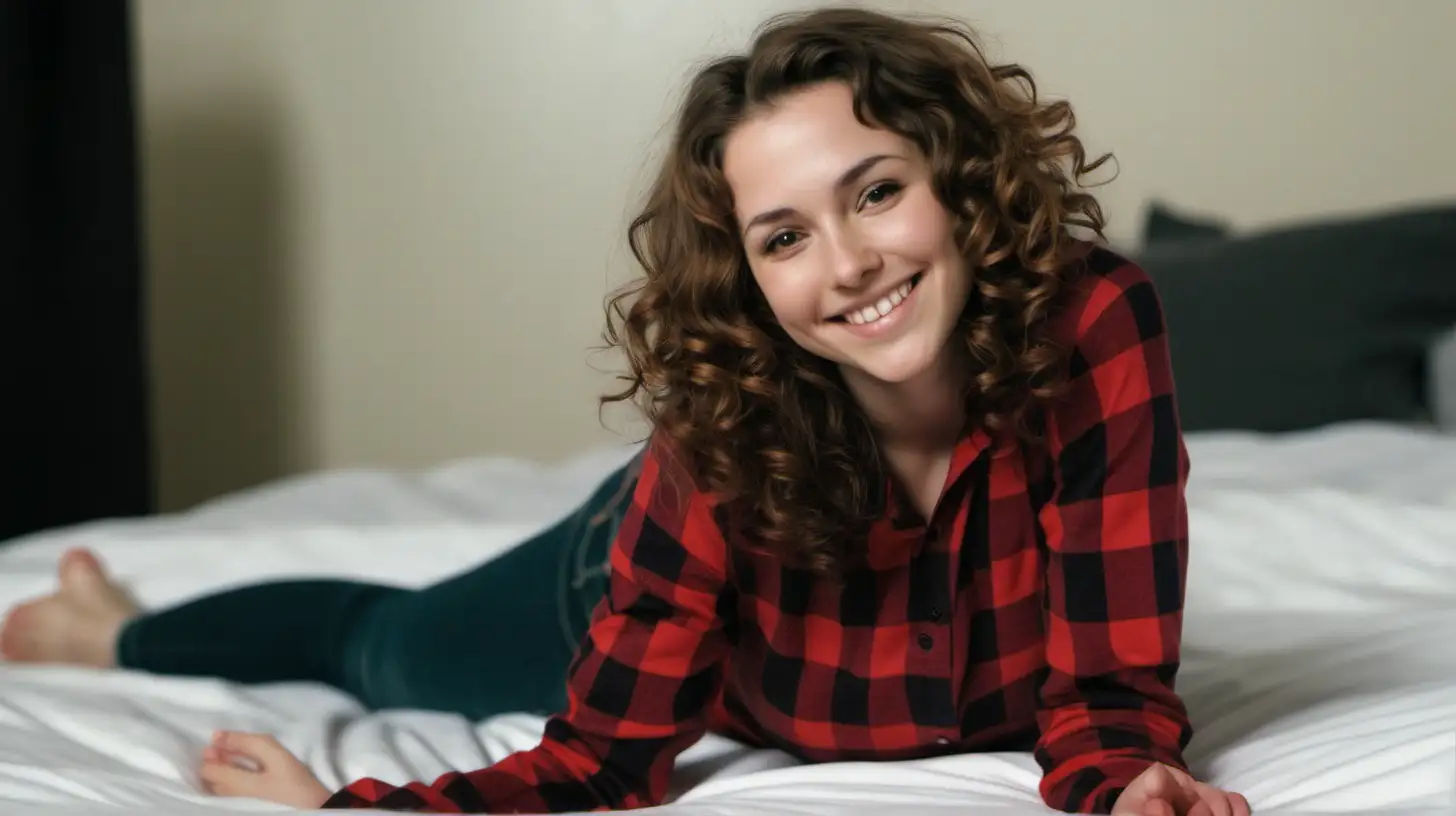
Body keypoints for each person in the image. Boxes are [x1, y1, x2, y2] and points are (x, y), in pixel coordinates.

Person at [0, 8, 1251, 815]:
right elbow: (604, 763)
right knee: (381, 648)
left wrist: (1123, 787)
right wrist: (339, 812)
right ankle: (113, 632)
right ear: (751, 284)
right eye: (783, 237)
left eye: (875, 193)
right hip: (631, 563)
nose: (850, 264)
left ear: (960, 181)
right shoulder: (724, 431)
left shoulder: (1092, 326)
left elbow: (1105, 685)